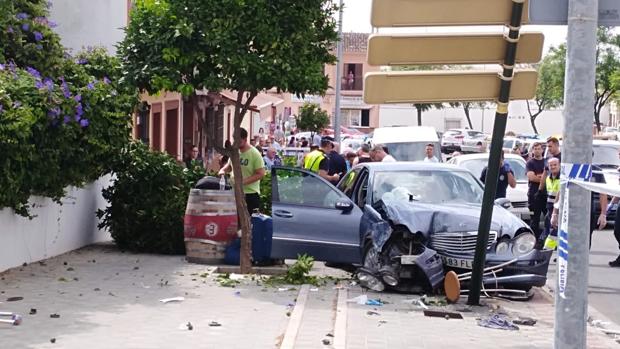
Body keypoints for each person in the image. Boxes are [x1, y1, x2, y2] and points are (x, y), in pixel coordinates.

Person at [218, 128, 266, 214]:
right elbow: (229, 166)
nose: (236, 142)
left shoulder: (254, 154)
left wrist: (242, 182)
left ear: (245, 139)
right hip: (234, 192)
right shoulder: (235, 152)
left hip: (250, 194)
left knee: (248, 222)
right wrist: (223, 170)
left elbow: (261, 173)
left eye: (238, 140)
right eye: (234, 140)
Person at [526, 142, 547, 240]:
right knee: (535, 220)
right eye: (535, 149)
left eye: (539, 149)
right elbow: (531, 177)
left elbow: (551, 176)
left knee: (549, 218)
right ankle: (534, 241)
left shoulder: (546, 162)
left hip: (546, 194)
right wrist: (543, 178)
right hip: (534, 195)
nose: (537, 150)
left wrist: (539, 176)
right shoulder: (530, 163)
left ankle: (546, 239)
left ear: (542, 150)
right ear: (532, 150)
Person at [541, 158, 561, 249]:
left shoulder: (562, 178)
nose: (552, 167)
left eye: (555, 165)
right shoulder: (548, 178)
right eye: (550, 165)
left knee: (553, 234)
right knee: (550, 232)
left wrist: (555, 213)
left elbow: (560, 196)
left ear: (559, 165)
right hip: (550, 210)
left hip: (558, 211)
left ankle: (546, 251)